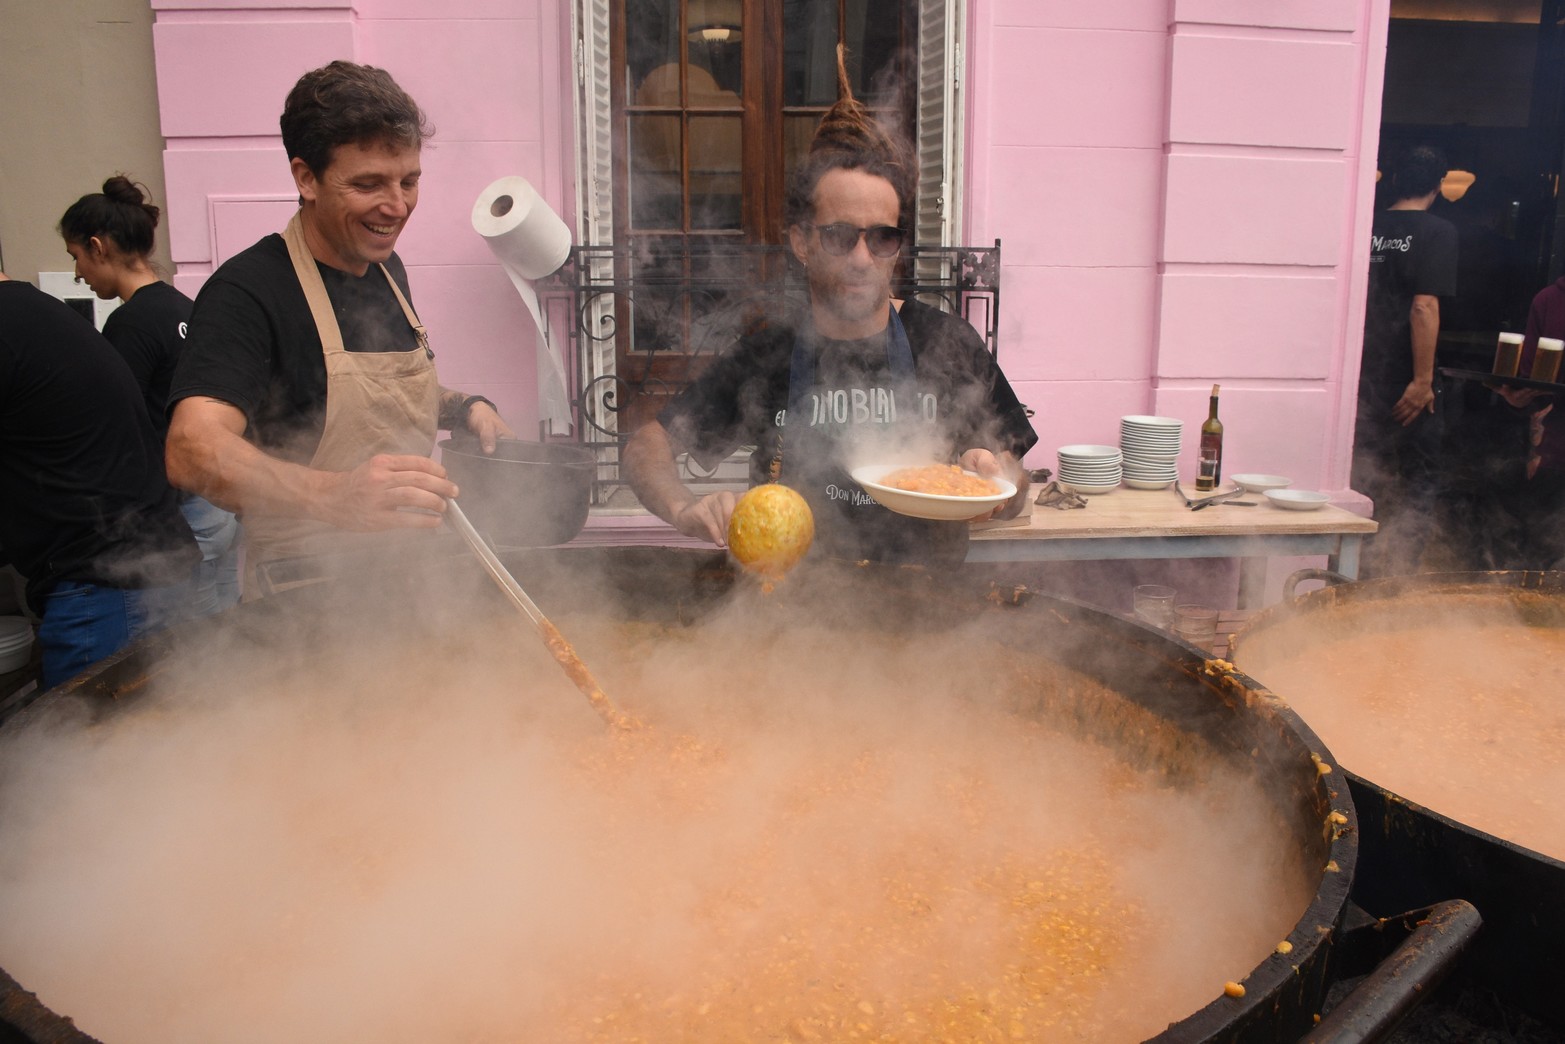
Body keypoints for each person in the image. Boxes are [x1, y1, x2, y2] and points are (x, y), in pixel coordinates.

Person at [624, 49, 1036, 566]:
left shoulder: (946, 343)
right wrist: (684, 507)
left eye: (882, 238)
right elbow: (645, 447)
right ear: (801, 242)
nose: (862, 258)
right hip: (791, 615)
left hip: (928, 617)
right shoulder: (767, 352)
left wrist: (1000, 483)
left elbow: (1016, 491)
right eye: (840, 235)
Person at [165, 61, 514, 593]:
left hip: (411, 583)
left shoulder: (385, 271)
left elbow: (339, 390)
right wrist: (333, 496)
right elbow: (192, 449)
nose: (396, 206)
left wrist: (465, 407)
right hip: (305, 598)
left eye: (409, 181)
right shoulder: (248, 291)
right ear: (306, 177)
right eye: (368, 184)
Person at [0, 272, 199, 689]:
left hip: (106, 589)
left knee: (97, 744)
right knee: (166, 736)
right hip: (147, 567)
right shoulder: (38, 313)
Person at [59, 175, 241, 615]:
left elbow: (123, 431)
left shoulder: (130, 324)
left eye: (77, 256)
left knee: (189, 641)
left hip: (183, 513)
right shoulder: (185, 306)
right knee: (227, 625)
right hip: (219, 503)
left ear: (98, 247)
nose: (78, 274)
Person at [1352, 145, 1458, 577]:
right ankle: (1397, 575)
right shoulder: (1438, 232)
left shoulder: (1365, 225)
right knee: (1419, 476)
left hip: (1360, 376)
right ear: (1438, 187)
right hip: (1403, 378)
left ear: (1392, 180)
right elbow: (1423, 307)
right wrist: (1422, 380)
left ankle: (1351, 568)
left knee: (1362, 474)